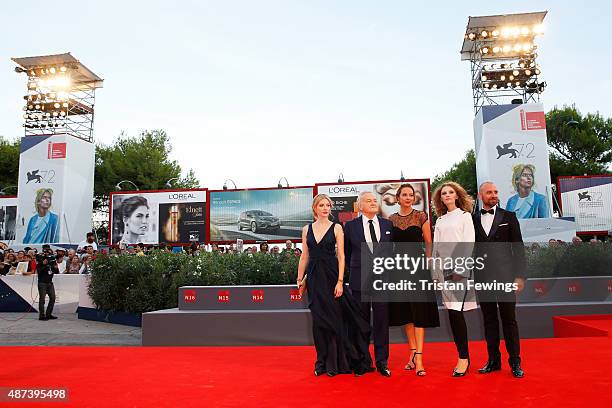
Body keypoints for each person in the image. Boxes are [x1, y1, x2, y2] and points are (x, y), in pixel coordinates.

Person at [296, 194, 372, 377]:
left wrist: (340, 281)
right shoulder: (306, 229)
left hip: (331, 278)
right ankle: (321, 362)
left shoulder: (337, 227)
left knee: (335, 320)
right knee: (318, 322)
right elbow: (304, 255)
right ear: (315, 208)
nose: (325, 208)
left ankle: (338, 361)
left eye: (327, 205)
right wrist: (300, 279)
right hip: (314, 278)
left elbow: (342, 257)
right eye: (321, 205)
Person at [473, 181, 527, 378]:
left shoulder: (509, 217)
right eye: (489, 192)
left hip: (506, 277)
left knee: (509, 320)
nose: (493, 195)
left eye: (496, 191)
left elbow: (518, 248)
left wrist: (520, 276)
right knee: (489, 321)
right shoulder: (472, 219)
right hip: (483, 278)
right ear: (481, 196)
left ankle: (515, 362)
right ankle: (493, 361)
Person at [388, 183, 440, 376]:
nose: (409, 197)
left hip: (418, 269)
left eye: (411, 195)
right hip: (398, 269)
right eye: (405, 195)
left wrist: (427, 263)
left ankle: (419, 358)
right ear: (398, 198)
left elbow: (429, 242)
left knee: (418, 312)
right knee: (406, 313)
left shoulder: (421, 216)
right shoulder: (391, 219)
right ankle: (412, 352)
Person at [344, 191, 393, 377]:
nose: (373, 203)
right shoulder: (350, 227)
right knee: (360, 322)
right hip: (359, 280)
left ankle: (382, 362)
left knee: (381, 322)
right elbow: (347, 255)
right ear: (360, 206)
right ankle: (362, 362)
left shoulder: (387, 224)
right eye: (368, 201)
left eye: (375, 200)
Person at [431, 181, 476, 377]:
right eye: (444, 193)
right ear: (440, 199)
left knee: (456, 311)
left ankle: (463, 358)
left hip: (459, 269)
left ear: (457, 195)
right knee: (452, 312)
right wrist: (435, 271)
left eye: (450, 192)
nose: (447, 195)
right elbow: (436, 248)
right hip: (443, 270)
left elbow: (469, 243)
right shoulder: (440, 220)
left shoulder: (465, 217)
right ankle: (463, 356)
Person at [37, 253, 60, 320]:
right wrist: (44, 265)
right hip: (42, 283)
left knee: (53, 298)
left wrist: (56, 267)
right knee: (42, 299)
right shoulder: (40, 264)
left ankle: (48, 314)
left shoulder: (52, 264)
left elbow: (57, 272)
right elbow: (39, 272)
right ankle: (41, 315)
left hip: (50, 283)